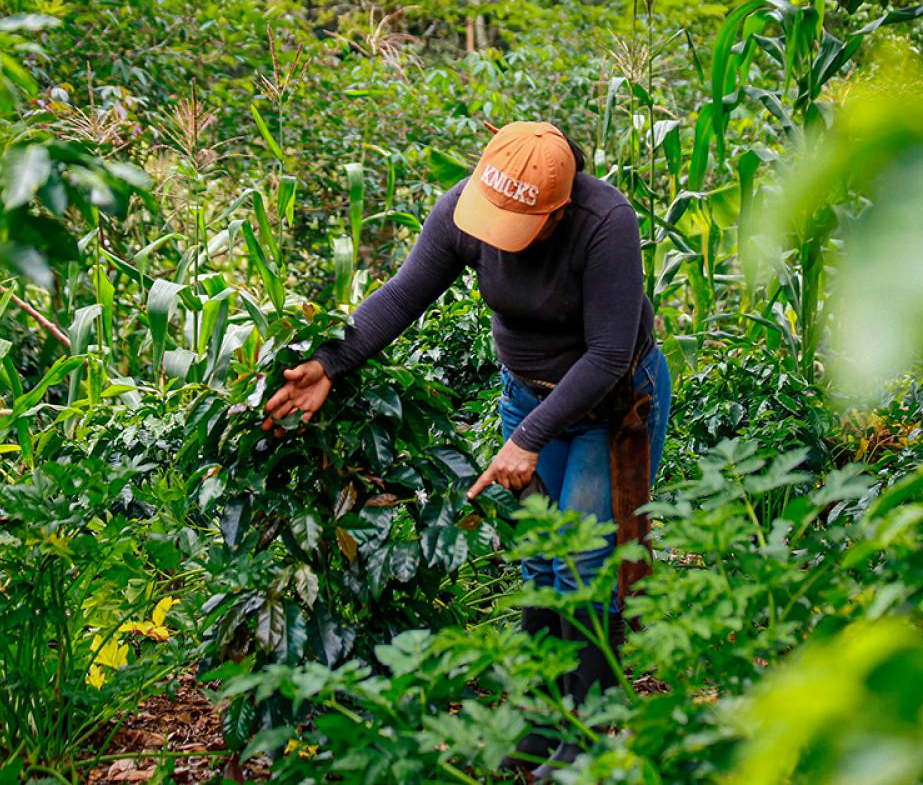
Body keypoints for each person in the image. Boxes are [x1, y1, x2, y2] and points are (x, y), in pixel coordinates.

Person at [261, 120, 672, 776]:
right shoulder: (464, 207)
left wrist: (527, 440)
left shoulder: (604, 223)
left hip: (610, 404)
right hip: (528, 395)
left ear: (557, 210)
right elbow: (405, 293)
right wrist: (330, 363)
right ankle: (541, 724)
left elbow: (607, 354)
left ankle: (587, 739)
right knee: (541, 561)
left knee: (584, 562)